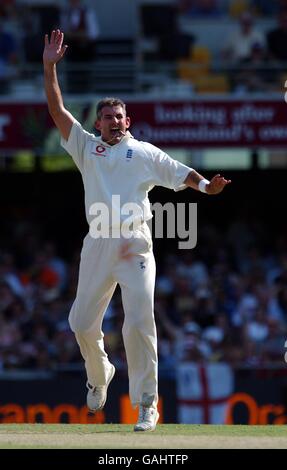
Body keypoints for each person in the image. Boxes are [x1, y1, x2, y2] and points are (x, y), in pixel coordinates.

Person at [43, 29, 231, 432]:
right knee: (80, 324)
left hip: (134, 244)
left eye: (119, 117)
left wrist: (206, 188)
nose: (113, 122)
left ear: (128, 120)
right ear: (98, 122)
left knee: (139, 320)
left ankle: (147, 404)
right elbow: (57, 110)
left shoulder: (143, 152)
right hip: (97, 243)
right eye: (107, 118)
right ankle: (100, 375)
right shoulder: (85, 147)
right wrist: (49, 67)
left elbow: (182, 174)